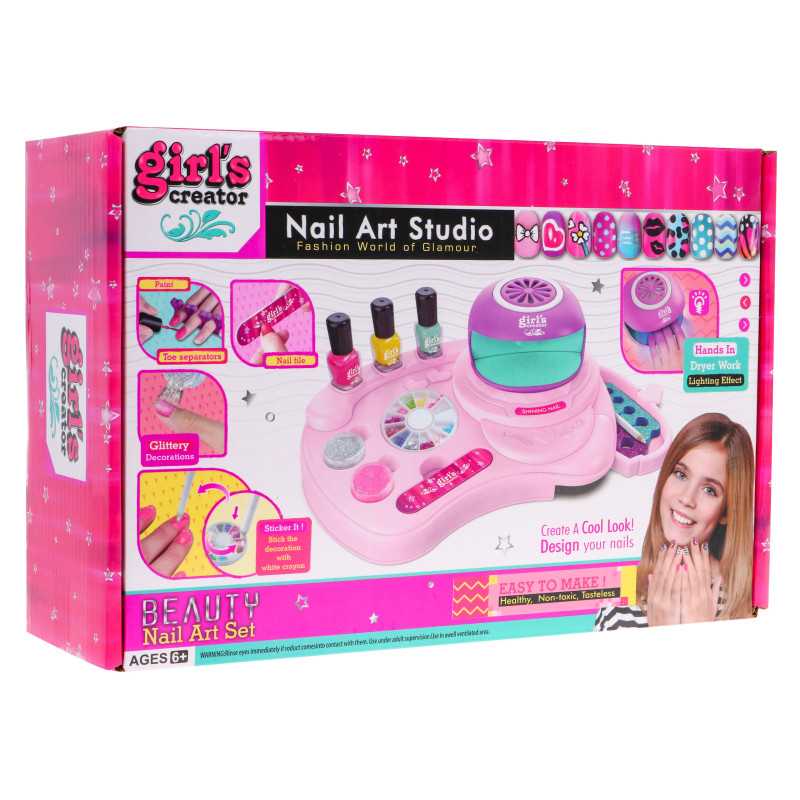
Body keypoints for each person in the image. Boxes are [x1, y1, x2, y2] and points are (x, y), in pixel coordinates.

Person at [595, 413, 754, 630]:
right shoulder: (616, 609)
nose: (687, 498)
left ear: (727, 511)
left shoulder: (748, 610)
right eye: (680, 474)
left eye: (709, 490)